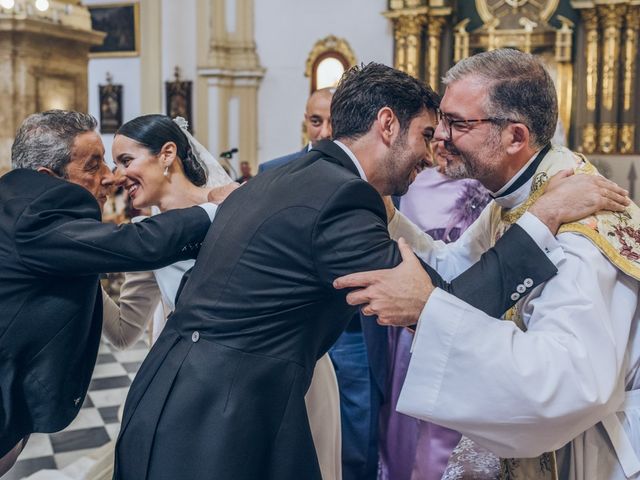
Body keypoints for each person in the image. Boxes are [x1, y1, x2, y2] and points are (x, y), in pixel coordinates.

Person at [113, 63, 624, 480]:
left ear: (515, 135)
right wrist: (543, 219)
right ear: (386, 125)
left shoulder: (300, 172)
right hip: (219, 413)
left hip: (193, 390)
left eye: (453, 126)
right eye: (430, 130)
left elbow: (440, 274)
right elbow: (444, 293)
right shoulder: (341, 195)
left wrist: (416, 258)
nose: (437, 146)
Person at [334, 49, 639, 480]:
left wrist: (427, 310)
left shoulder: (581, 226)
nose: (438, 135)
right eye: (441, 119)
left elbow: (565, 383)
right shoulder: (524, 195)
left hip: (588, 453)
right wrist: (381, 211)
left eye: (458, 123)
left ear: (515, 137)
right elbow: (456, 266)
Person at [0, 110, 222, 475]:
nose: (110, 177)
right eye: (94, 165)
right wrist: (217, 208)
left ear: (168, 155)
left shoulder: (20, 207)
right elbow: (138, 249)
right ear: (46, 178)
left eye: (118, 161)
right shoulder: (33, 215)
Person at [378, 144, 491, 480]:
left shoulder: (500, 194)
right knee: (416, 431)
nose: (441, 138)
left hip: (484, 327)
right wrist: (389, 214)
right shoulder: (411, 185)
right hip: (421, 319)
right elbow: (445, 258)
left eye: (456, 124)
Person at [258, 87, 333, 172]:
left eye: (334, 123)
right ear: (306, 120)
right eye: (315, 122)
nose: (325, 133)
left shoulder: (351, 169)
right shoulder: (271, 170)